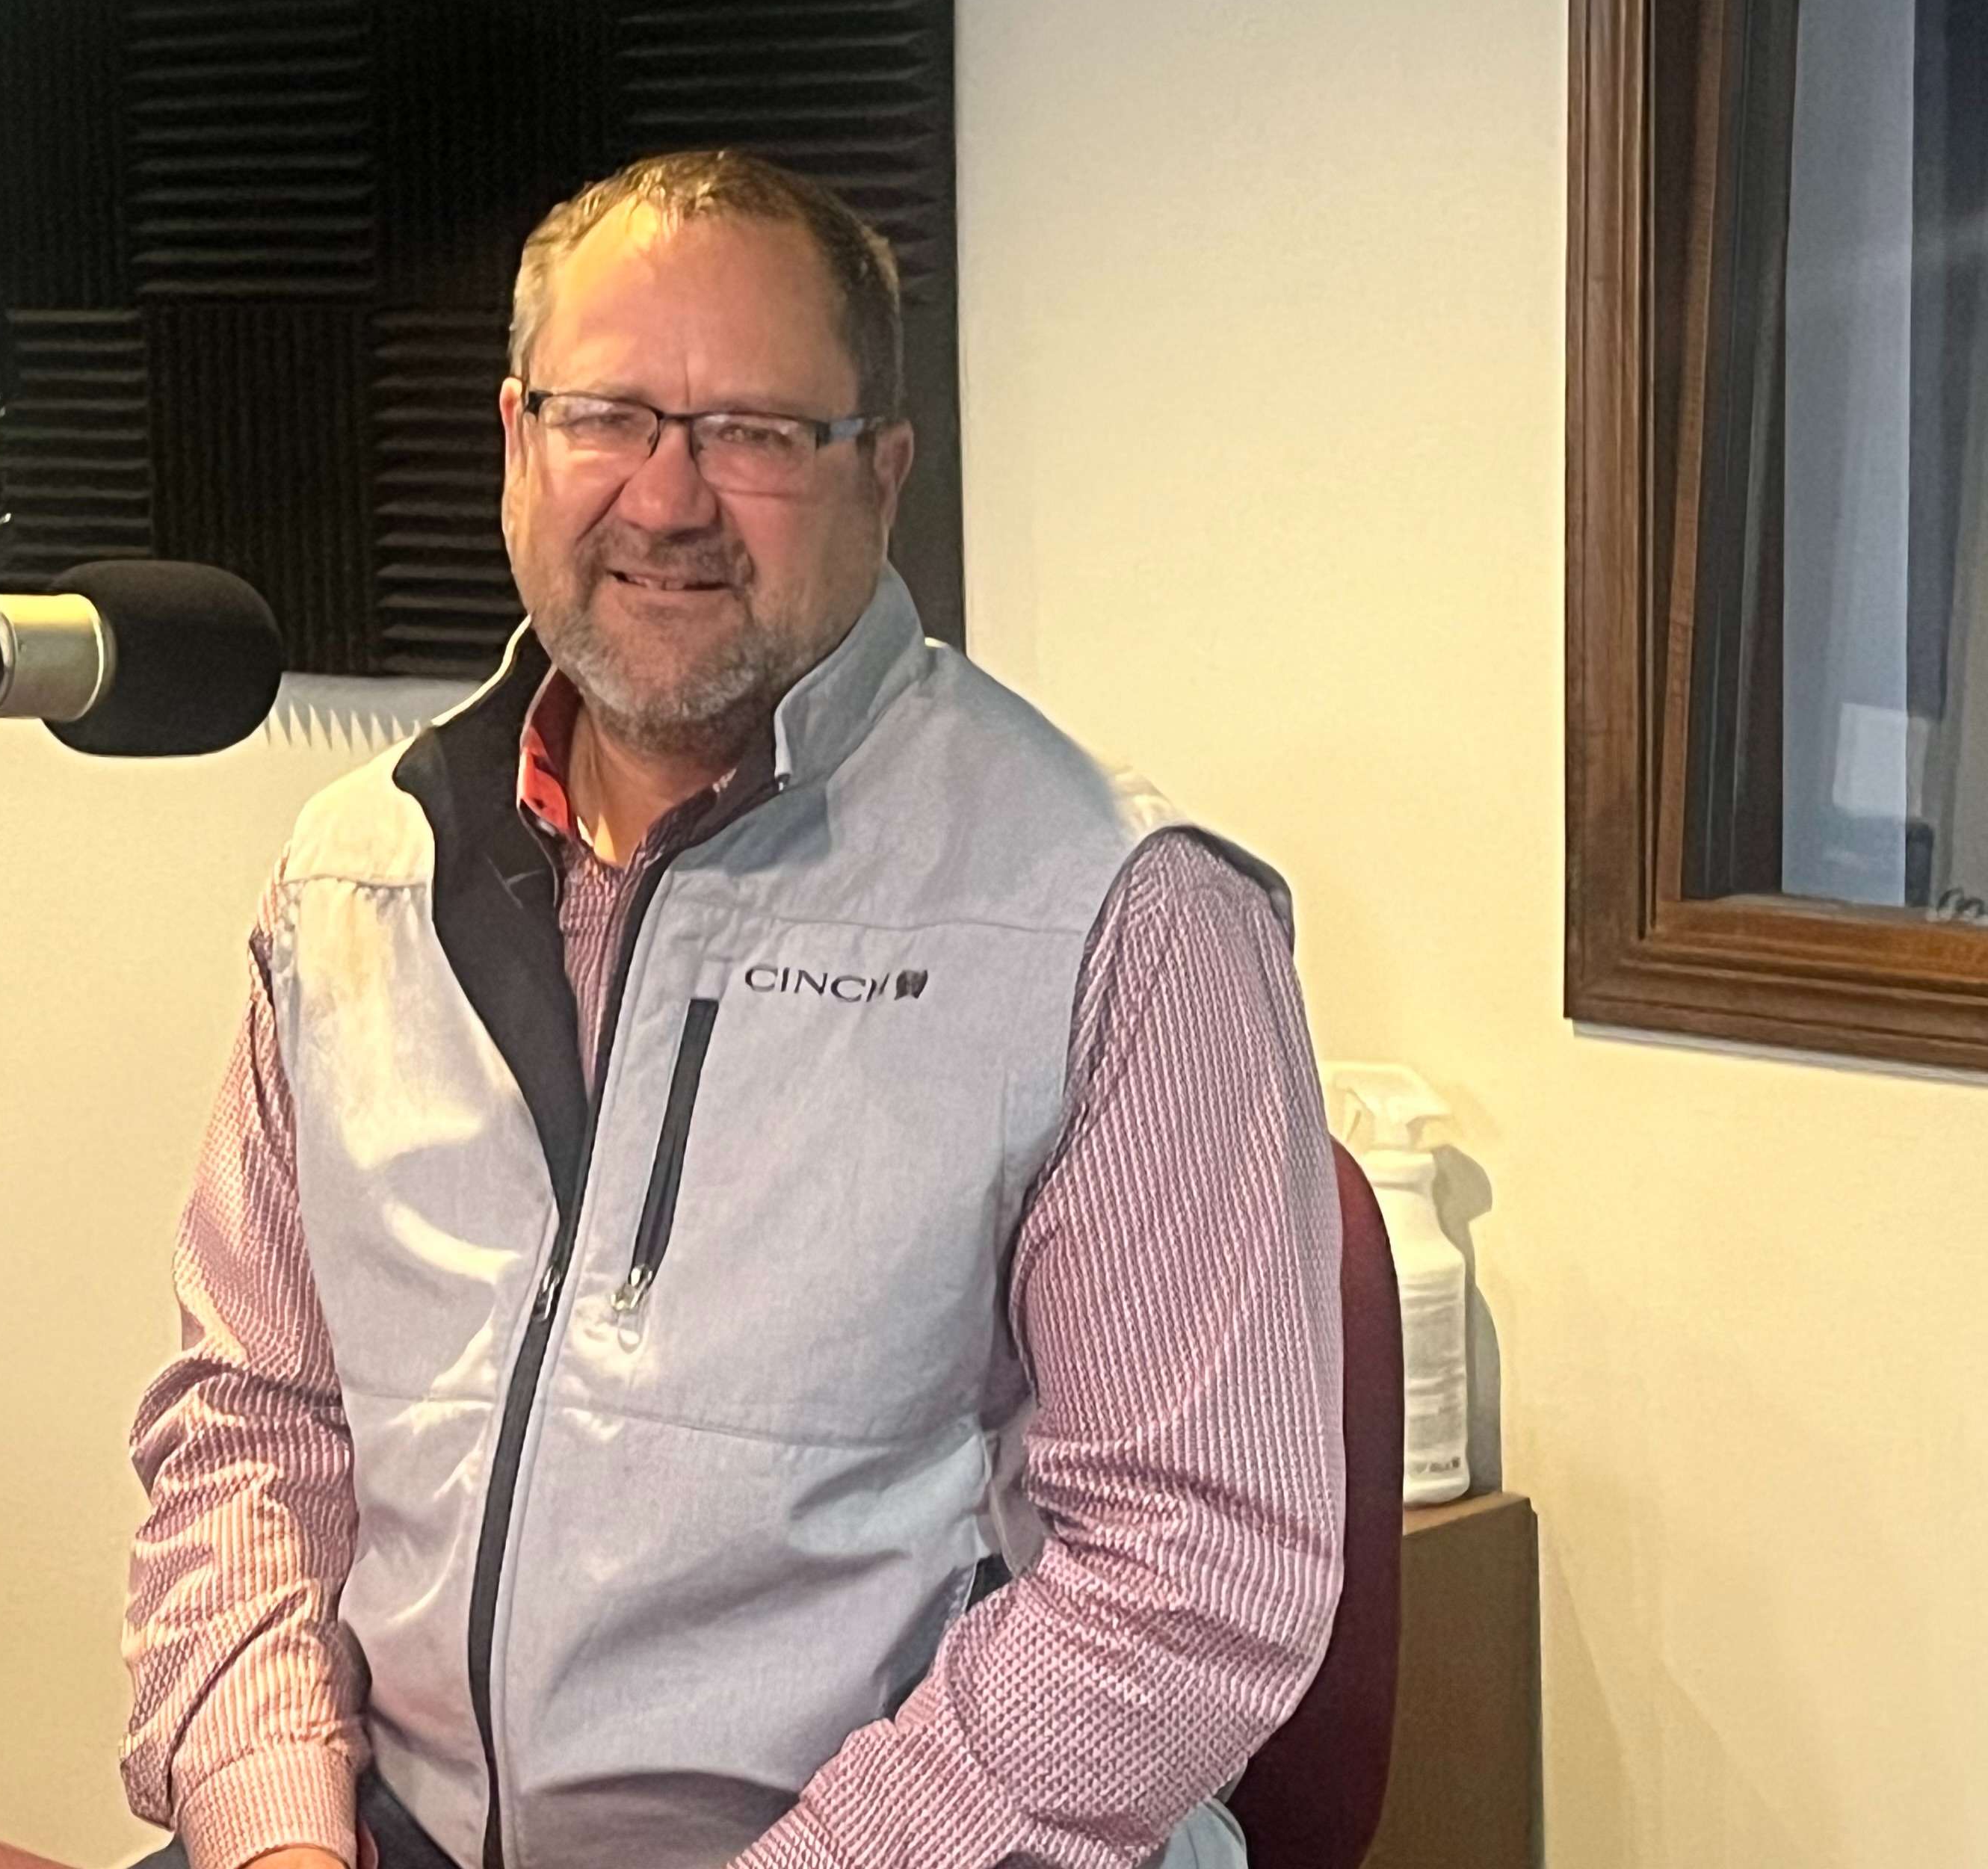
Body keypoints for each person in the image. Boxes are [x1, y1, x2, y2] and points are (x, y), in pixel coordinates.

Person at [122, 150, 1344, 1869]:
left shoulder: (1120, 914)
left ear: (884, 477)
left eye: (757, 434)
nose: (668, 497)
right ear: (514, 444)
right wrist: (276, 1839)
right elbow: (255, 1425)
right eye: (606, 414)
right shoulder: (357, 877)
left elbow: (1189, 1580)